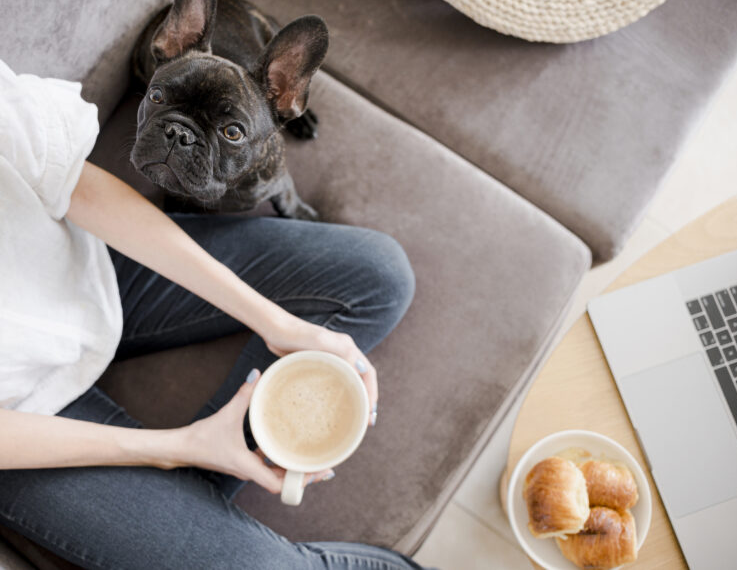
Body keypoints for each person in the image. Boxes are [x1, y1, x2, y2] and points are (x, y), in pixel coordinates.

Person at [0, 60, 423, 569]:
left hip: (85, 266)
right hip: (27, 426)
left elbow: (70, 179)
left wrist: (273, 320)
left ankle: (194, 498)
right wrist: (172, 447)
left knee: (379, 275)